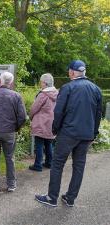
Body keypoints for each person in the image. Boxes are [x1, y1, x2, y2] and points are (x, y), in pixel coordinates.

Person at [35, 60, 102, 207]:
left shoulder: (67, 87)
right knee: (79, 166)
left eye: (69, 71)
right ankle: (70, 198)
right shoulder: (96, 89)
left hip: (68, 133)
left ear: (72, 72)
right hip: (86, 135)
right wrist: (94, 133)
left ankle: (52, 198)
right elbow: (98, 114)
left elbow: (58, 111)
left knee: (57, 164)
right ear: (83, 72)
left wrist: (55, 129)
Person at [29, 73, 58, 172]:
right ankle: (49, 163)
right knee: (49, 143)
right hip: (52, 123)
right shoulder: (57, 94)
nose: (40, 84)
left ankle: (38, 165)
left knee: (39, 144)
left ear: (45, 83)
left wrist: (31, 117)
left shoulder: (43, 95)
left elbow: (34, 108)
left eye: (41, 82)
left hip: (41, 123)